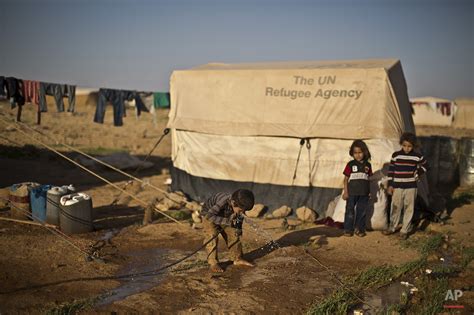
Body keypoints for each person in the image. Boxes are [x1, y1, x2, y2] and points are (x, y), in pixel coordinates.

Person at [383, 132, 428, 240]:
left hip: (411, 186)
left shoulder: (417, 157)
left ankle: (405, 230)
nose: (407, 148)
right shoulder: (396, 155)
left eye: (409, 146)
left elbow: (426, 165)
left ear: (413, 146)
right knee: (396, 207)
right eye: (404, 145)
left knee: (409, 208)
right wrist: (390, 185)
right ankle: (392, 227)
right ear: (401, 144)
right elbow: (391, 171)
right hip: (397, 186)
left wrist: (417, 172)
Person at [201, 189, 255, 273]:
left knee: (234, 234)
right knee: (211, 236)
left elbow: (238, 222)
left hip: (226, 216)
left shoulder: (238, 207)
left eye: (244, 211)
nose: (242, 212)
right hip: (209, 215)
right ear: (233, 203)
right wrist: (227, 221)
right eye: (241, 210)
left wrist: (238, 229)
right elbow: (209, 216)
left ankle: (237, 258)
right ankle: (213, 263)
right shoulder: (222, 201)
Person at [342, 140, 373, 237]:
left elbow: (368, 179)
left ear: (364, 152)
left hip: (363, 192)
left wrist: (369, 191)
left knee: (362, 211)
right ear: (352, 153)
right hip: (352, 192)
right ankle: (348, 229)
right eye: (355, 153)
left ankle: (359, 229)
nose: (358, 155)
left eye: (360, 152)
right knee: (350, 210)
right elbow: (346, 179)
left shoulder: (368, 165)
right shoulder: (350, 164)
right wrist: (346, 192)